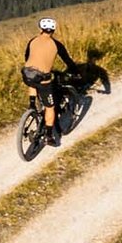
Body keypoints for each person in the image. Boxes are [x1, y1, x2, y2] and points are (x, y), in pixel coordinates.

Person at [22, 16, 77, 146]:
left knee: (32, 80)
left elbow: (26, 56)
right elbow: (67, 60)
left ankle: (31, 105)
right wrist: (75, 71)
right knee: (50, 107)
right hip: (43, 79)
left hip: (26, 74)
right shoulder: (57, 45)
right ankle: (48, 135)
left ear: (41, 29)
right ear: (53, 30)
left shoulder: (32, 40)